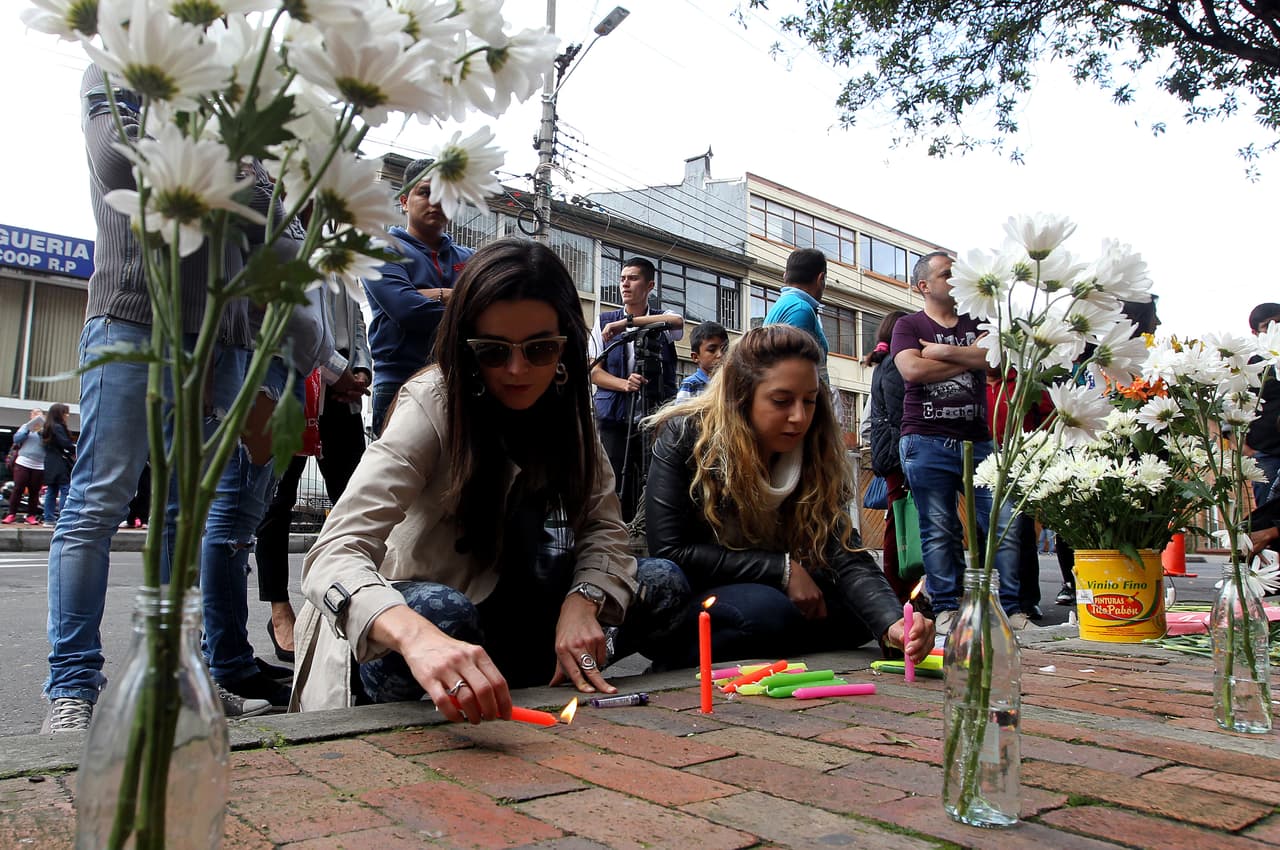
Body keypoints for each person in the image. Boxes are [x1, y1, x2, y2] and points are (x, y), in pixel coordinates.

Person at [292, 238, 689, 715]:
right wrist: (418, 636)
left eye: (540, 349)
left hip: (531, 619)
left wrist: (584, 600)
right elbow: (335, 552)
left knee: (663, 581)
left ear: (565, 348)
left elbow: (605, 528)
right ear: (465, 346)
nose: (517, 370)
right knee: (441, 611)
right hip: (437, 635)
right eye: (493, 351)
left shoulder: (568, 414)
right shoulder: (433, 402)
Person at [43, 66, 305, 732]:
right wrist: (233, 180)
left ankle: (171, 675)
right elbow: (118, 168)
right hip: (131, 313)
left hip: (222, 336)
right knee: (99, 499)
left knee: (185, 513)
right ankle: (71, 686)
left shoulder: (226, 96)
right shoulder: (115, 70)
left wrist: (196, 176)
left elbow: (276, 225)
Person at [644, 324, 934, 667]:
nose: (799, 417)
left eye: (809, 402)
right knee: (768, 611)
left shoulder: (813, 446)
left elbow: (841, 549)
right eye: (781, 401)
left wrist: (894, 625)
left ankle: (779, 639)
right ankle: (677, 658)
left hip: (775, 589)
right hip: (702, 590)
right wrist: (781, 569)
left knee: (865, 612)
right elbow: (670, 550)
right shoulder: (686, 434)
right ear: (741, 396)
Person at [891, 251, 1026, 635]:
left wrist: (944, 351)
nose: (956, 279)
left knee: (1005, 522)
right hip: (925, 439)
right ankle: (948, 609)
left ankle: (1010, 609)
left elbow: (1000, 362)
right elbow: (912, 369)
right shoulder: (907, 324)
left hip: (980, 442)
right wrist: (973, 358)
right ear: (924, 286)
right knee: (939, 528)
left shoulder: (979, 320)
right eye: (947, 274)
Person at [255, 285, 372, 663]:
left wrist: (360, 369)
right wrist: (335, 372)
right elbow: (292, 324)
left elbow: (356, 323)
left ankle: (357, 597)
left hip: (342, 393)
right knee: (276, 502)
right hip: (294, 379)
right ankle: (278, 609)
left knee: (354, 501)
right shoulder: (290, 240)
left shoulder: (345, 251)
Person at [363, 158, 475, 436]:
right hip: (400, 381)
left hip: (460, 382)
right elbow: (407, 311)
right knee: (398, 476)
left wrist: (426, 295)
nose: (435, 202)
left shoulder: (471, 259)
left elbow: (490, 313)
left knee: (455, 477)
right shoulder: (380, 250)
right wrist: (460, 297)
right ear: (404, 200)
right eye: (425, 192)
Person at [590, 257, 684, 521]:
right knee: (613, 482)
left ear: (649, 284)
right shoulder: (603, 321)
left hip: (654, 419)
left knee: (654, 482)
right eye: (622, 279)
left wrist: (625, 324)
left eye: (632, 278)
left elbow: (677, 322)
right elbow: (593, 371)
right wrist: (624, 384)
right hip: (614, 418)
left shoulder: (661, 321)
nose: (625, 284)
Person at [864, 310, 912, 601]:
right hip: (899, 453)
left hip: (892, 451)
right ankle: (899, 590)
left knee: (899, 521)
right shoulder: (895, 364)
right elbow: (901, 414)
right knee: (900, 523)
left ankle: (904, 588)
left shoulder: (885, 363)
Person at [765, 248, 831, 385]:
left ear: (785, 276)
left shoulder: (786, 304)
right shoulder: (800, 310)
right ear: (821, 278)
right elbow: (796, 372)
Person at [1246, 302, 1280, 507]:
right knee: (1268, 513)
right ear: (1255, 332)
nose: (1277, 329)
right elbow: (1239, 403)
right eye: (1269, 325)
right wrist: (1245, 449)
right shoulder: (1254, 364)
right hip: (1267, 453)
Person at [4, 408, 46, 525]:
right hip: (23, 461)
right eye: (34, 414)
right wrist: (27, 429)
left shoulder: (47, 430)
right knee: (18, 488)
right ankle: (11, 514)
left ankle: (31, 515)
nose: (36, 415)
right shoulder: (25, 427)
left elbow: (49, 444)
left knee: (34, 490)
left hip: (39, 464)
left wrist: (42, 433)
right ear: (31, 416)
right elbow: (17, 439)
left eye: (39, 414)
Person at [40, 405, 76, 528]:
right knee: (65, 489)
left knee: (51, 491)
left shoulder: (47, 427)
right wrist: (75, 448)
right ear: (60, 414)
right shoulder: (58, 427)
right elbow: (66, 444)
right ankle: (64, 517)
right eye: (65, 413)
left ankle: (48, 518)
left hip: (50, 461)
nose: (67, 416)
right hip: (60, 462)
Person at [676, 321, 728, 400]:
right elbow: (680, 411)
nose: (720, 355)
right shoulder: (691, 384)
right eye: (712, 350)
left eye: (725, 349)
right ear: (695, 357)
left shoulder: (730, 383)